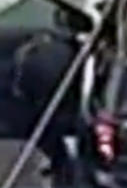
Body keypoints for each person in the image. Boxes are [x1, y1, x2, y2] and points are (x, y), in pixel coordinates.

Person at [12, 29, 79, 185]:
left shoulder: (28, 56)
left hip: (46, 107)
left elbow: (19, 88)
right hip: (66, 105)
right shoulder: (68, 52)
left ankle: (58, 167)